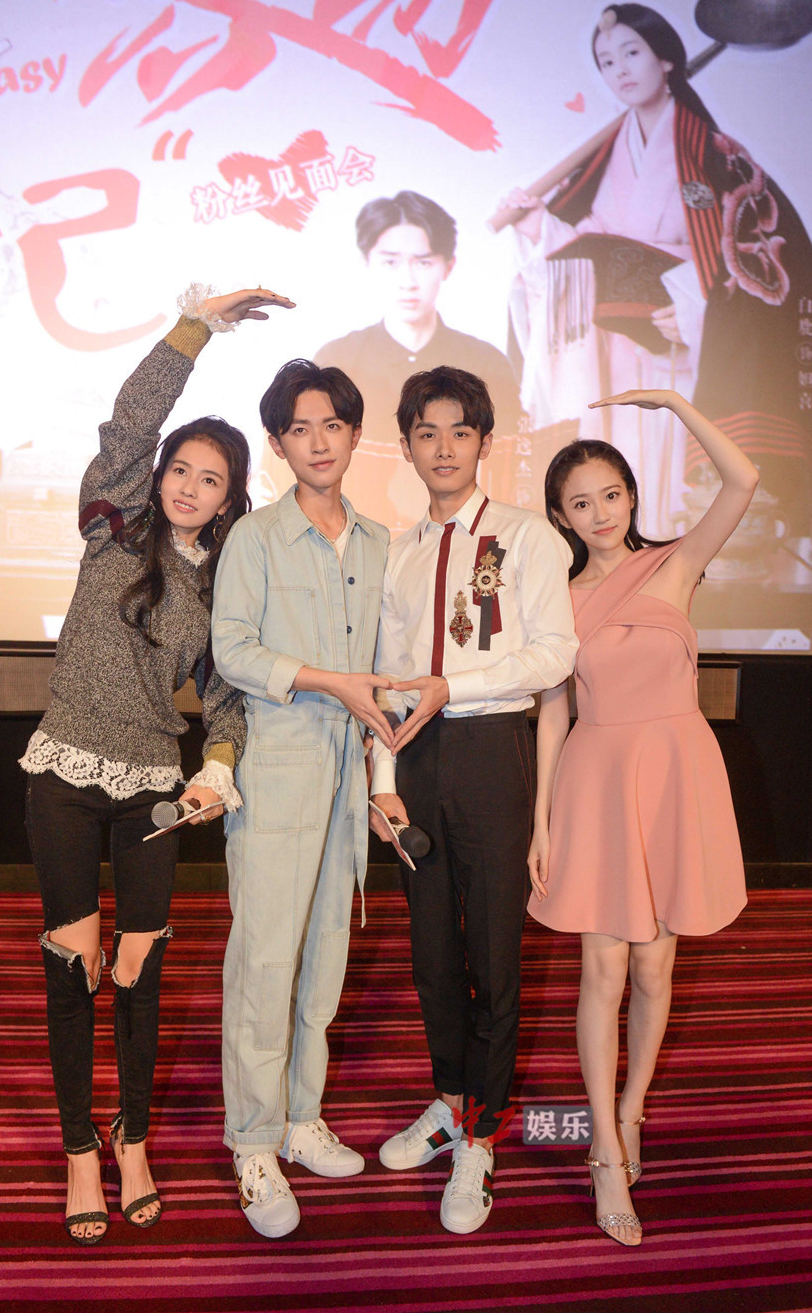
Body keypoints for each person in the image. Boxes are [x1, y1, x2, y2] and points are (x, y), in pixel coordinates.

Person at [21, 285, 295, 1245]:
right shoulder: (114, 524)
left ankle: (131, 1138)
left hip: (151, 788)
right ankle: (79, 1151)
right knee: (74, 969)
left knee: (138, 970)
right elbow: (130, 418)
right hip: (62, 773)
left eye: (209, 479)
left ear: (230, 497)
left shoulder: (223, 588)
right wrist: (195, 330)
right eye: (180, 468)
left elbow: (225, 699)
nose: (187, 486)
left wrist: (217, 766)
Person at [528, 387, 758, 1246]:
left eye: (612, 494)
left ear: (631, 496)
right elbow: (552, 713)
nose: (600, 513)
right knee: (604, 969)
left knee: (657, 970)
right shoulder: (556, 596)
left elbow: (743, 480)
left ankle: (631, 1113)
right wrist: (544, 822)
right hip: (597, 779)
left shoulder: (675, 565)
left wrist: (674, 403)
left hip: (676, 773)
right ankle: (601, 1151)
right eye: (581, 502)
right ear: (560, 514)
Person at [369, 365, 577, 1234]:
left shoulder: (528, 537)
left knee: (493, 954)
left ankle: (482, 1137)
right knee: (429, 957)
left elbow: (554, 654)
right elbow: (384, 678)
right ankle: (450, 1101)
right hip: (413, 760)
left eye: (460, 430)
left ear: (485, 441)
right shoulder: (398, 549)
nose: (444, 447)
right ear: (407, 446)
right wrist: (383, 785)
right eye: (427, 432)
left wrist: (454, 686)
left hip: (492, 751)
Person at [503, 2, 812, 548]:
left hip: (682, 348)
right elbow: (591, 242)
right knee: (611, 477)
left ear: (667, 60)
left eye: (632, 53)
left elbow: (753, 258)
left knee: (670, 489)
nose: (621, 70)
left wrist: (698, 307)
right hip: (611, 352)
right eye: (608, 62)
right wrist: (539, 227)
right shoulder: (605, 157)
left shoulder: (715, 155)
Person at [211, 357, 391, 1238]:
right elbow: (233, 650)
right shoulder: (255, 537)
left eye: (332, 425)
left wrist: (383, 771)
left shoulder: (381, 541)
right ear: (278, 444)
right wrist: (328, 681)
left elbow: (388, 669)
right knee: (264, 962)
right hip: (278, 771)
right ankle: (251, 1140)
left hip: (350, 774)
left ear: (355, 435)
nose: (318, 442)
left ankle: (300, 1117)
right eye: (299, 429)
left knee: (325, 958)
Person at [259, 191, 524, 529]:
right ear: (366, 263)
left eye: (423, 262)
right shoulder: (337, 357)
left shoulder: (487, 362)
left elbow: (513, 465)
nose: (408, 281)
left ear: (448, 265)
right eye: (390, 262)